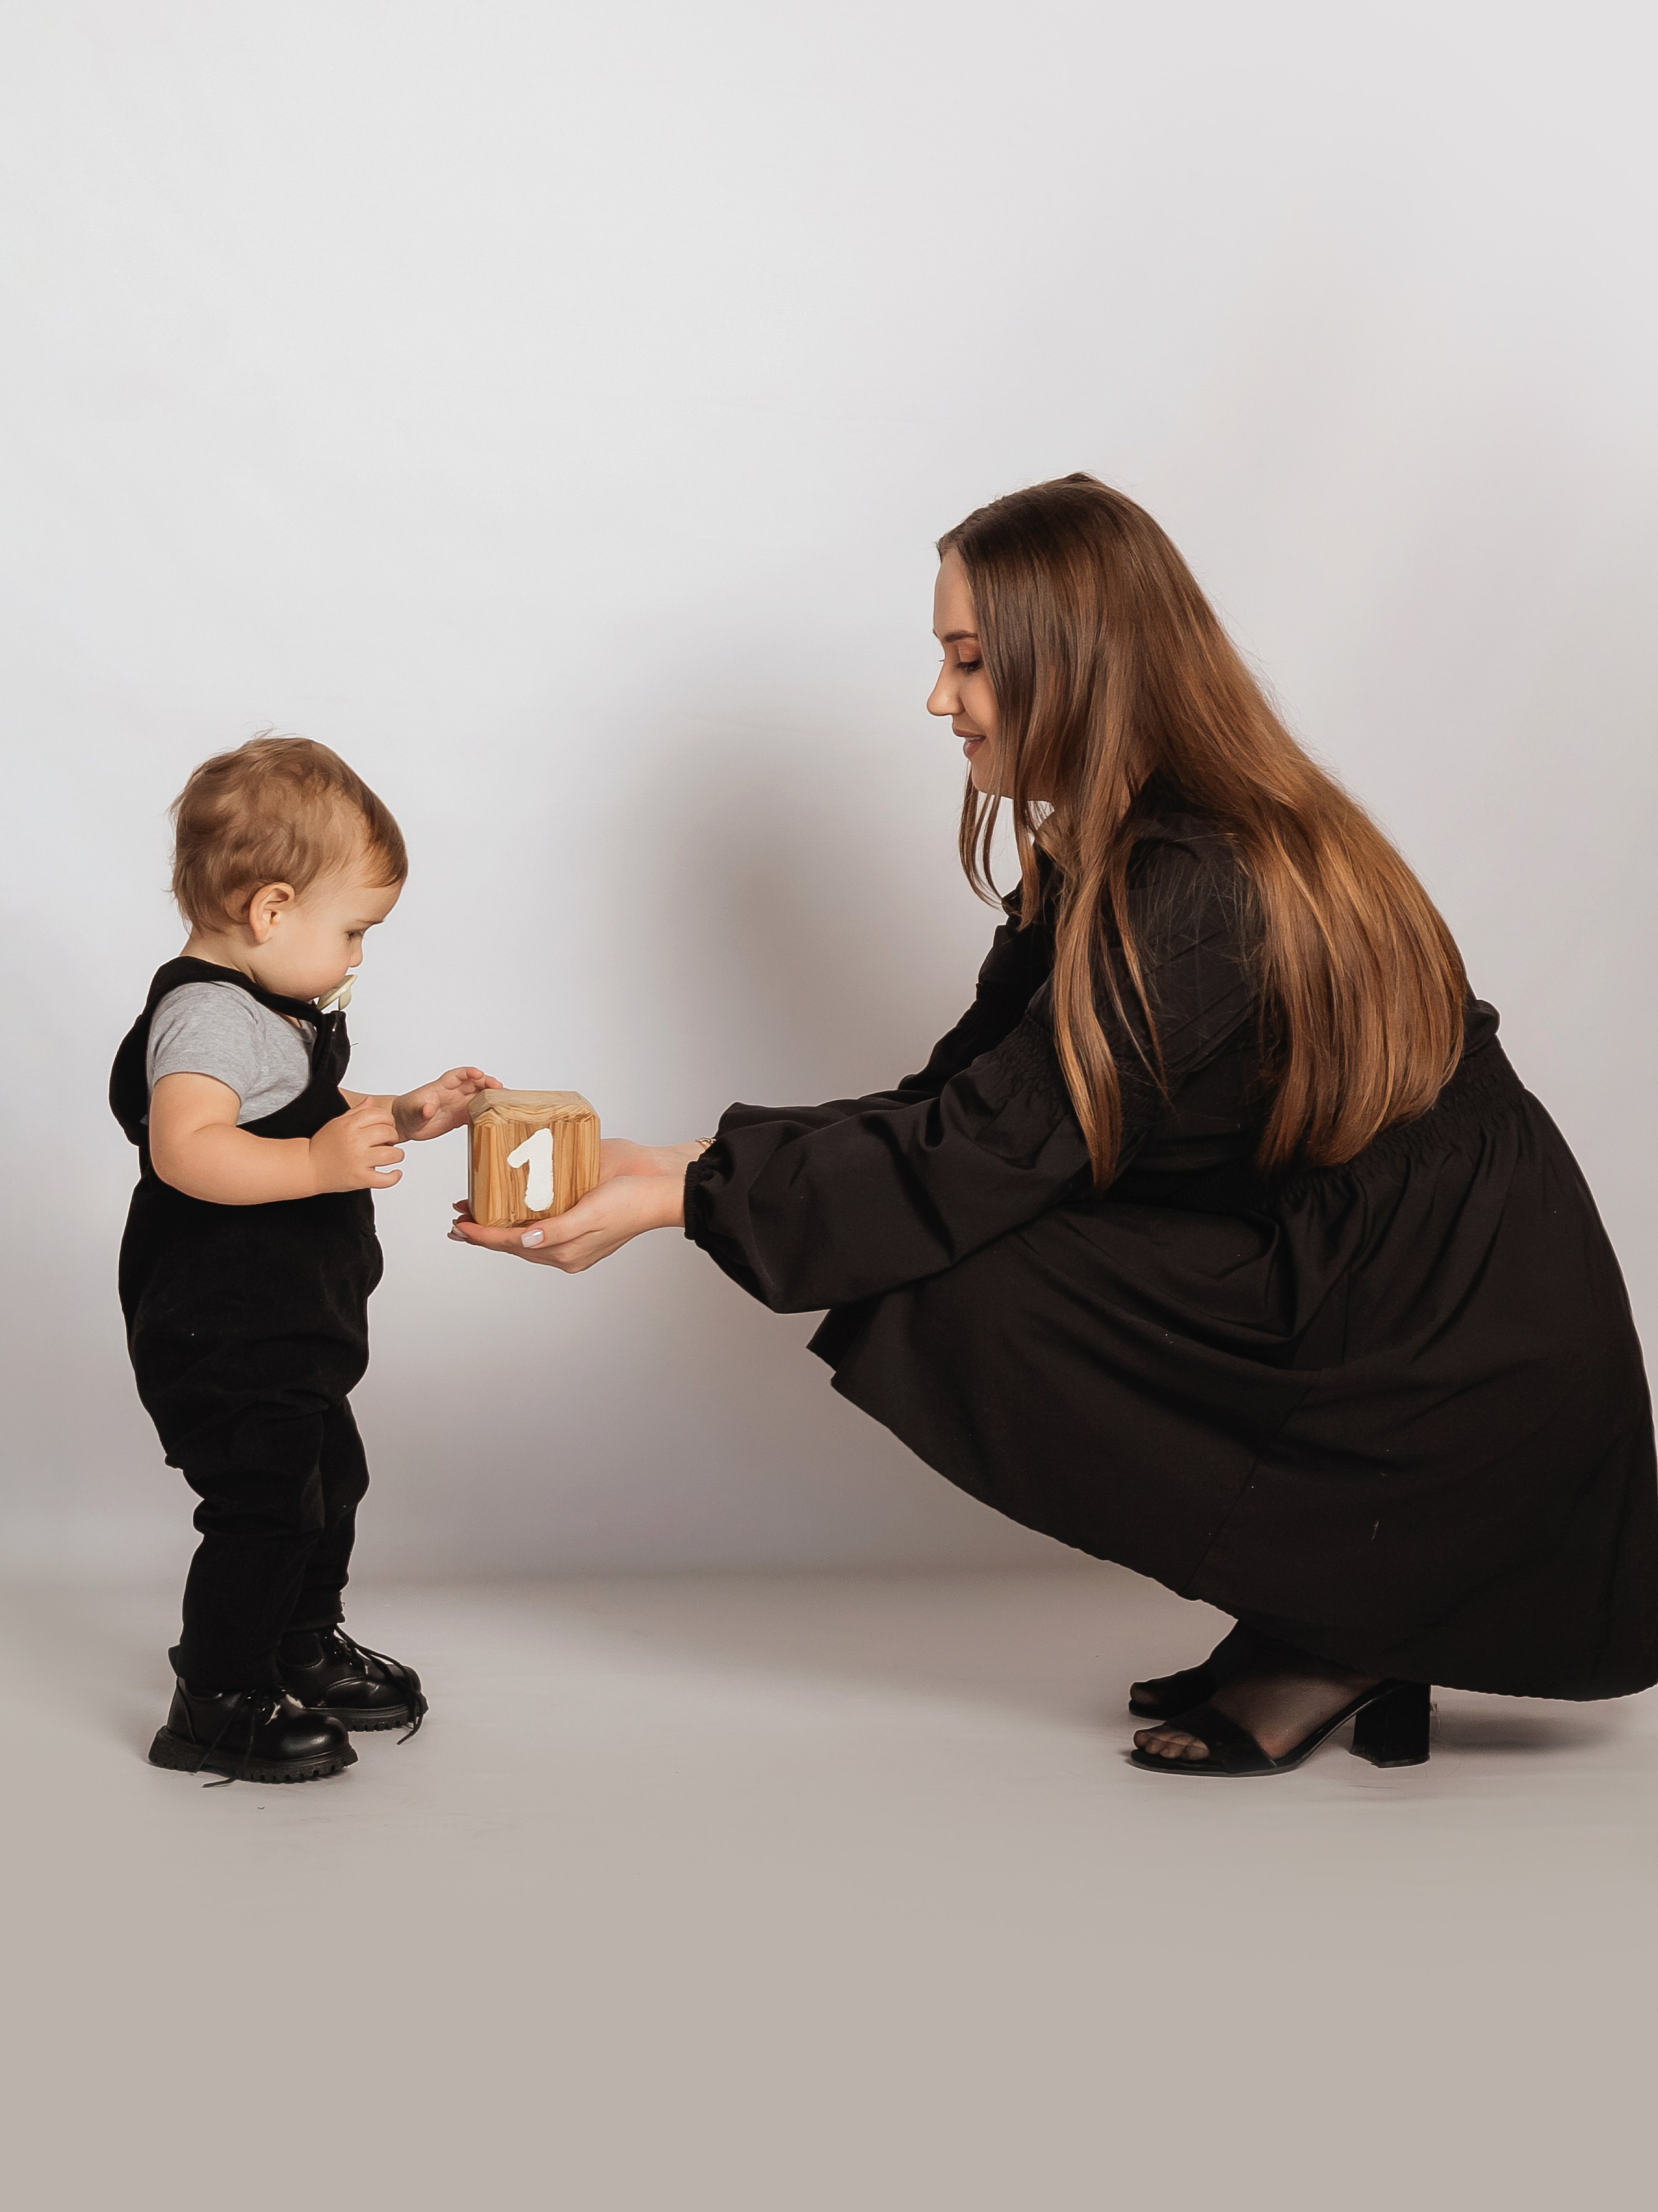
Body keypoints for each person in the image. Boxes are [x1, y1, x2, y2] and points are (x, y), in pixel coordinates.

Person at [453, 477, 1658, 1778]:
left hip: (1443, 1334)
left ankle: (1347, 1629)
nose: (938, 699)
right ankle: (1324, 1611)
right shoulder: (1115, 853)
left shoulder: (1196, 884)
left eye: (968, 660)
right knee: (940, 1227)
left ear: (1074, 663)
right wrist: (668, 1165)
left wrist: (678, 1203)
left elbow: (971, 1158)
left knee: (962, 1269)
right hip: (1351, 1269)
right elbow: (958, 1108)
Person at [111, 737, 499, 1783]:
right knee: (266, 1501)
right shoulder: (204, 1016)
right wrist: (320, 1163)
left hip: (288, 1323)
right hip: (222, 1323)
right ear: (272, 910)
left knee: (330, 1476)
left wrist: (402, 1114)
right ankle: (217, 1695)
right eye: (355, 931)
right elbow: (187, 1147)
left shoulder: (265, 1008)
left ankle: (299, 1643)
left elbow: (305, 1108)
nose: (360, 956)